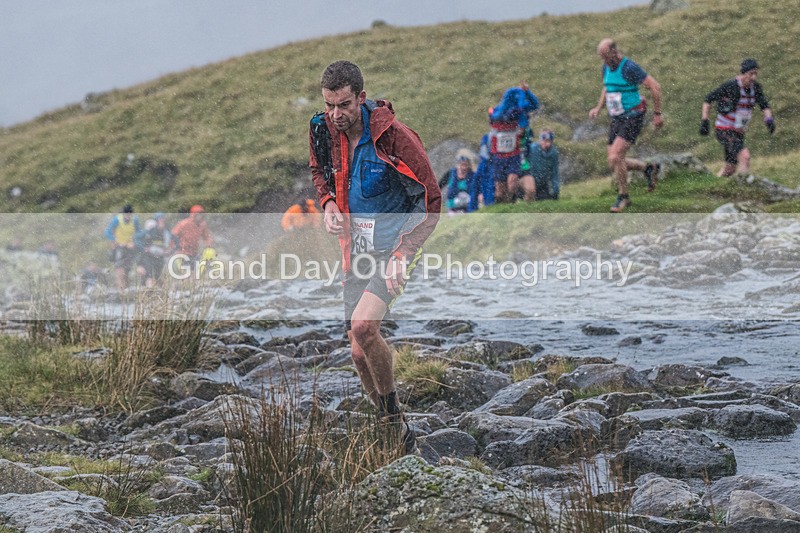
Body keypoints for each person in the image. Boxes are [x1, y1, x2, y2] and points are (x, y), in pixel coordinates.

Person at [309, 60, 440, 453]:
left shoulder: (395, 137)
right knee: (356, 349)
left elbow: (431, 200)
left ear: (361, 99)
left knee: (365, 329)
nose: (336, 115)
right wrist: (329, 202)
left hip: (396, 246)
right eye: (330, 105)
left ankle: (394, 423)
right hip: (357, 249)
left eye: (344, 105)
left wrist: (404, 253)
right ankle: (388, 423)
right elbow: (319, 171)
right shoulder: (322, 130)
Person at [589, 38, 663, 212]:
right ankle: (648, 168)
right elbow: (607, 87)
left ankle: (624, 197)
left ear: (614, 52)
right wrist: (598, 107)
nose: (604, 61)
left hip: (633, 116)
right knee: (613, 162)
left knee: (616, 157)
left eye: (606, 56)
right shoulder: (606, 67)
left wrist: (657, 114)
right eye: (601, 58)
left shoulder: (629, 68)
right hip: (617, 118)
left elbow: (655, 86)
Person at [700, 58, 774, 177]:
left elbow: (764, 105)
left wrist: (769, 120)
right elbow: (708, 99)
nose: (754, 77)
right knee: (745, 157)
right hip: (724, 130)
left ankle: (714, 187)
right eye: (751, 73)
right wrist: (705, 121)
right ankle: (743, 188)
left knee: (730, 168)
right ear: (744, 73)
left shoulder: (756, 88)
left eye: (756, 73)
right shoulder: (731, 86)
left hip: (739, 132)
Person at [488, 83, 540, 203]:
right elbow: (494, 115)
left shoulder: (523, 123)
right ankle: (502, 208)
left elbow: (534, 105)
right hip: (500, 158)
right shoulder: (500, 116)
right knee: (500, 192)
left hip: (516, 158)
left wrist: (527, 92)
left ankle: (515, 206)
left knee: (514, 186)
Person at [104, 203, 141, 293]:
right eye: (126, 214)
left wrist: (134, 242)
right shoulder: (117, 219)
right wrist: (116, 241)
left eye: (130, 214)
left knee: (128, 271)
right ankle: (120, 291)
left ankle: (126, 291)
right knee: (119, 270)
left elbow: (140, 233)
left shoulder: (135, 220)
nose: (128, 216)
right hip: (118, 247)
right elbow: (107, 232)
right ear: (123, 213)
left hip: (129, 248)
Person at [171, 205, 213, 272]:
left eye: (201, 214)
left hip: (194, 252)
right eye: (198, 214)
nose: (200, 216)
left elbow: (207, 236)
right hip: (183, 252)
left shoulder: (203, 225)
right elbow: (173, 235)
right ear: (193, 215)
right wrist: (175, 248)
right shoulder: (184, 223)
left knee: (195, 272)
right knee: (186, 273)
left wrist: (208, 245)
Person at [134, 213, 173, 287]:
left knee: (158, 277)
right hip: (148, 258)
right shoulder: (150, 232)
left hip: (159, 259)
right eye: (160, 220)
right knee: (148, 276)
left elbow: (171, 244)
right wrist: (139, 264)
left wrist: (169, 251)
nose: (162, 223)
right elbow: (140, 246)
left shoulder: (166, 233)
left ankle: (156, 292)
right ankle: (148, 291)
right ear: (156, 222)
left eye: (163, 221)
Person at [528, 129, 561, 200]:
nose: (547, 144)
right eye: (545, 141)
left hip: (542, 185)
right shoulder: (532, 149)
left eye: (549, 141)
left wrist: (556, 190)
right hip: (529, 182)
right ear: (540, 140)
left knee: (546, 201)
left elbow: (554, 174)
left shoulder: (554, 153)